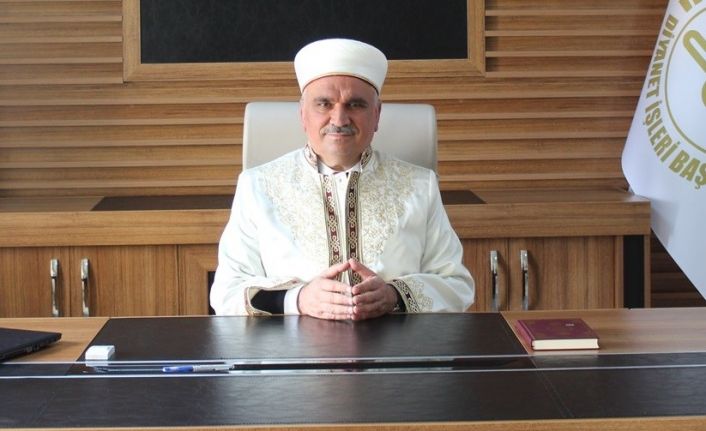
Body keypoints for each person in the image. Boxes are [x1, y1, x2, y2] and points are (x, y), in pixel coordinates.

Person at [210, 38, 474, 320]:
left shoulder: (420, 185)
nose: (339, 119)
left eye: (355, 104)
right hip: (291, 344)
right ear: (302, 115)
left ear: (377, 115)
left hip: (397, 343)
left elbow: (457, 285)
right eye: (324, 104)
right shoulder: (257, 186)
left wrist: (394, 296)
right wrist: (297, 300)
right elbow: (226, 292)